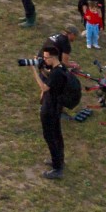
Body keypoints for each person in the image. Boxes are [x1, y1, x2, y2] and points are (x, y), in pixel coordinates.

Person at [33, 45, 70, 179]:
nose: (44, 59)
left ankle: (57, 168)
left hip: (50, 108)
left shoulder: (56, 73)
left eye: (46, 57)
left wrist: (34, 71)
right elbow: (51, 78)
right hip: (56, 107)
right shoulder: (61, 69)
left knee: (50, 137)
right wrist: (42, 69)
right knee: (57, 135)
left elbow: (44, 86)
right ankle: (59, 159)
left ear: (53, 57)